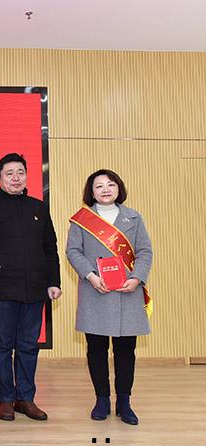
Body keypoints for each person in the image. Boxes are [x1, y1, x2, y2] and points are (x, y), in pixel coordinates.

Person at [0, 153, 62, 422]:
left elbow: (50, 248)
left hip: (34, 288)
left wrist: (53, 281)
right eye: (9, 173)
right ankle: (6, 400)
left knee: (28, 346)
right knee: (2, 346)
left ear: (27, 176)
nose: (16, 178)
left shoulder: (38, 208)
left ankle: (26, 398)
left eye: (20, 172)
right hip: (1, 289)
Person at [66, 169, 152, 425]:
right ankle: (101, 399)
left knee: (126, 351)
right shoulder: (82, 220)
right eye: (99, 186)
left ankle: (124, 401)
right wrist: (91, 276)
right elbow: (73, 251)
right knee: (96, 349)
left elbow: (145, 251)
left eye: (110, 184)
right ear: (91, 192)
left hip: (128, 292)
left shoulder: (133, 217)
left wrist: (136, 278)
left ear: (118, 188)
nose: (105, 189)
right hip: (96, 292)